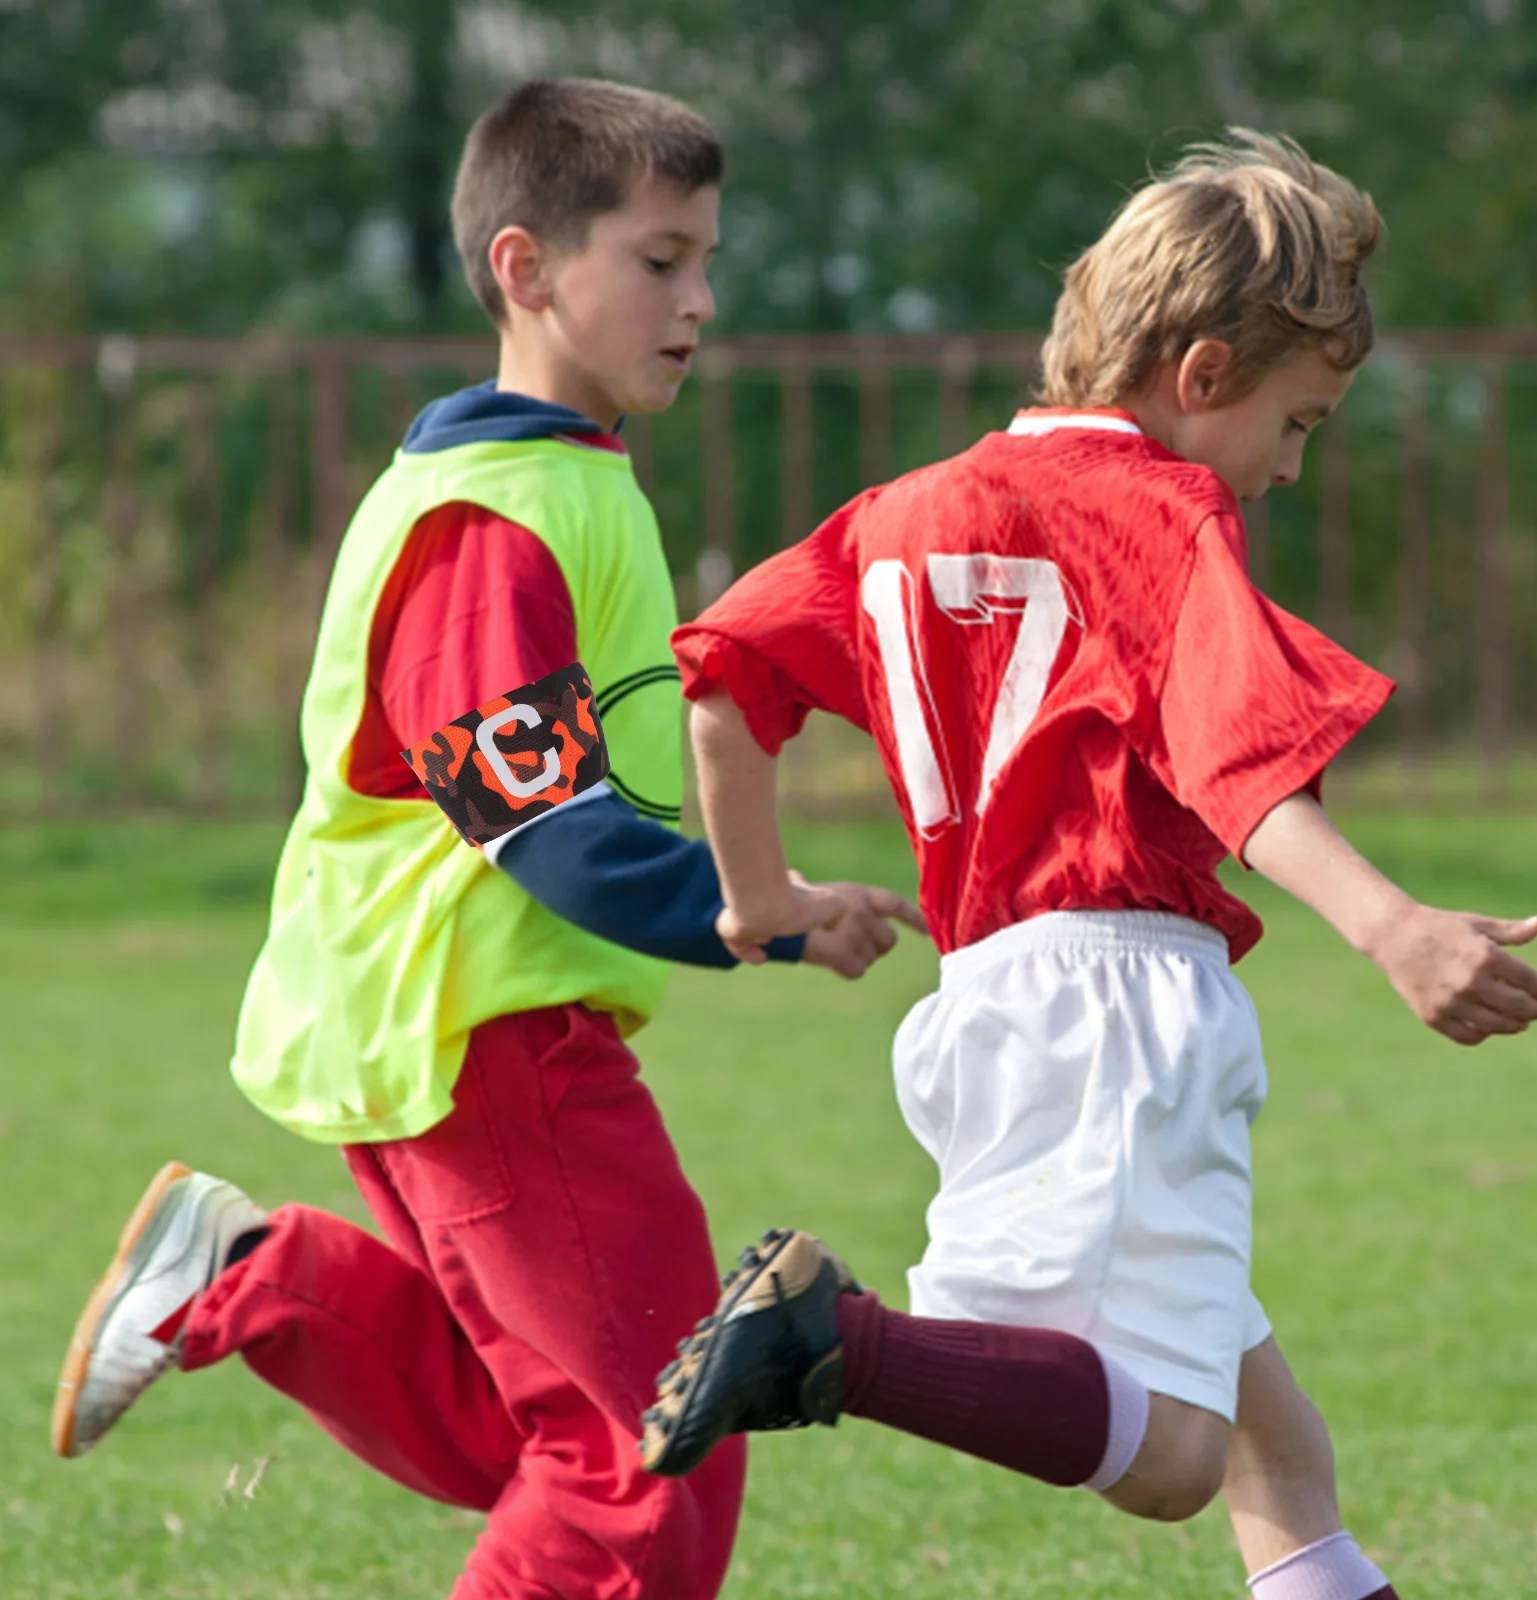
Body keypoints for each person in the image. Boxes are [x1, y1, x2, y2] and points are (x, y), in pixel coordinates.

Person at [638, 131, 1537, 1600]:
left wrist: (763, 898)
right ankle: (830, 1340)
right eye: (1299, 423)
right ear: (1201, 374)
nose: (1290, 469)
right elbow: (1237, 758)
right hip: (1124, 998)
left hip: (997, 995)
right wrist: (1392, 927)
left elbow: (722, 680)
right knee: (1179, 1464)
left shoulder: (899, 514)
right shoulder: (1165, 515)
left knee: (1277, 1455)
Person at [51, 78, 918, 1600]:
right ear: (525, 268)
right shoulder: (491, 524)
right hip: (487, 1037)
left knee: (521, 1439)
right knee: (652, 1462)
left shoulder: (553, 479)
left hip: (455, 1028)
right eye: (659, 261)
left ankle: (255, 1278)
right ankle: (250, 1280)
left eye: (709, 261)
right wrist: (756, 908)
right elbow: (546, 827)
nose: (700, 301)